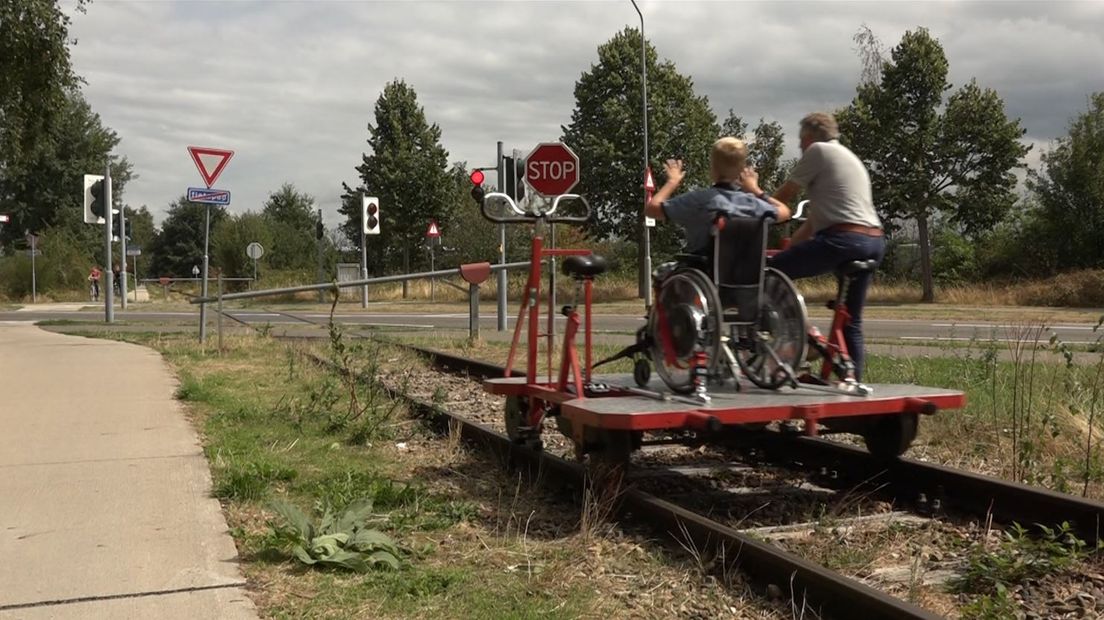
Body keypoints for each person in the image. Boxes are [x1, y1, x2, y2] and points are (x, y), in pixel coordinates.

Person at [767, 112, 885, 380]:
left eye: (800, 141)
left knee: (769, 275)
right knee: (851, 321)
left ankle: (806, 339)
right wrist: (788, 251)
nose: (799, 147)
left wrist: (756, 208)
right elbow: (812, 225)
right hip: (873, 241)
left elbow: (785, 195)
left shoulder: (818, 151)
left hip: (843, 240)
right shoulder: (848, 158)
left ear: (809, 138)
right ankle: (852, 382)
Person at [644, 137, 791, 255]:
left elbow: (651, 210)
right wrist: (756, 190)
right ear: (741, 170)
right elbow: (784, 211)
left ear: (712, 169)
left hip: (705, 271)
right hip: (747, 276)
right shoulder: (753, 204)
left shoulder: (699, 200)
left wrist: (672, 182)